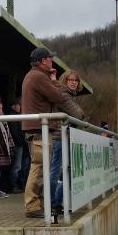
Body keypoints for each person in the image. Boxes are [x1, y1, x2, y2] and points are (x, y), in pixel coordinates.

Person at [21, 47, 61, 218]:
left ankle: (36, 204)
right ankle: (32, 205)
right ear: (42, 61)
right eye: (49, 58)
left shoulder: (33, 75)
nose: (51, 61)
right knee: (38, 167)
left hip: (37, 128)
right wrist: (54, 79)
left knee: (40, 166)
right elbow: (58, 96)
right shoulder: (39, 76)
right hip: (39, 129)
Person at [50, 70, 87, 212]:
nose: (73, 82)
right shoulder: (64, 95)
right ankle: (52, 203)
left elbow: (81, 115)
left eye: (76, 80)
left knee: (71, 172)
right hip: (59, 138)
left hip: (67, 138)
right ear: (64, 81)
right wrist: (80, 114)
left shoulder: (70, 96)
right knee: (55, 171)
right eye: (70, 79)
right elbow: (78, 115)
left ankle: (57, 201)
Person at [7, 99, 25, 193]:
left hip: (18, 144)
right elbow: (15, 132)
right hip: (17, 145)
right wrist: (20, 142)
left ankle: (17, 185)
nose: (20, 107)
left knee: (18, 166)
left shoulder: (16, 116)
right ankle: (13, 186)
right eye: (18, 105)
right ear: (13, 106)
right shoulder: (13, 116)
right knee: (16, 167)